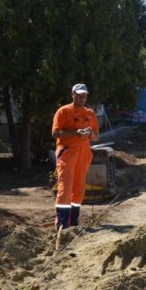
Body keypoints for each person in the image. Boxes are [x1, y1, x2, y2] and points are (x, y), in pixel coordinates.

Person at [51, 83, 99, 230]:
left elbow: (96, 136)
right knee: (65, 187)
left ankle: (73, 222)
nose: (81, 98)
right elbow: (55, 133)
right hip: (67, 153)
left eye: (84, 96)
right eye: (78, 95)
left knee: (78, 188)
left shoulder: (90, 113)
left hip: (83, 153)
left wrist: (89, 133)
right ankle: (62, 223)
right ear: (72, 94)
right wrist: (76, 133)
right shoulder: (63, 111)